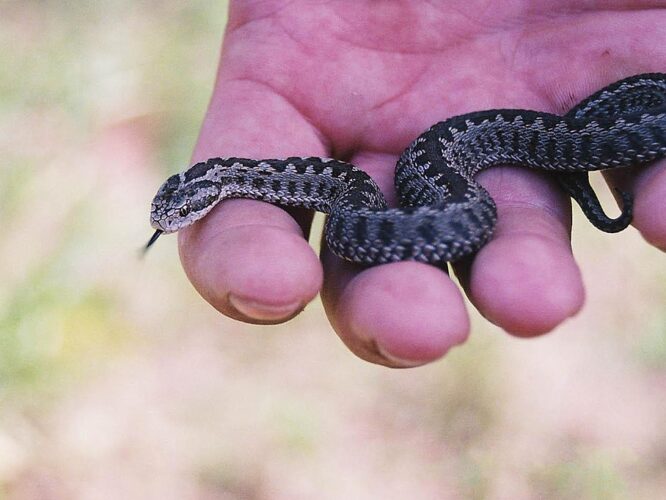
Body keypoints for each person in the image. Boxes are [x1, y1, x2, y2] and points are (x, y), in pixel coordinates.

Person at [177, 0, 666, 368]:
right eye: (178, 213)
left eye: (180, 211)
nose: (174, 221)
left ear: (205, 189)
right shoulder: (308, 186)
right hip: (433, 179)